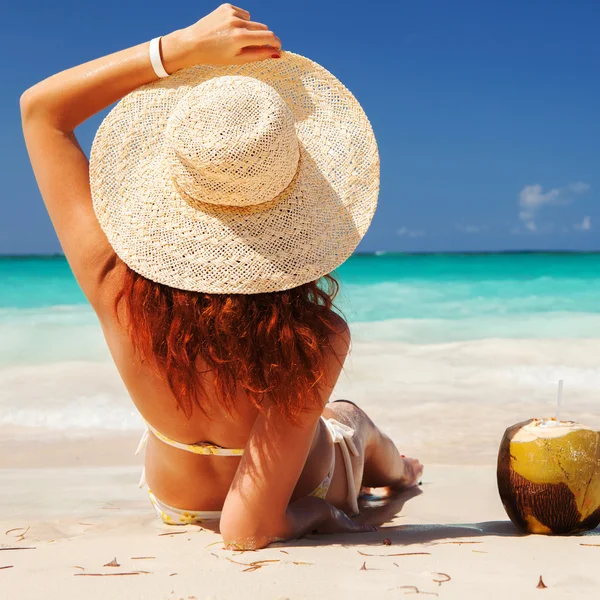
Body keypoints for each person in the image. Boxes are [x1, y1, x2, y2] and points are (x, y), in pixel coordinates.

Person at [20, 3, 423, 550]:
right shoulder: (313, 338)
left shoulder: (112, 283)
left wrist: (179, 48)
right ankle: (401, 474)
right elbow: (248, 528)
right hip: (305, 488)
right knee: (352, 422)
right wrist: (323, 517)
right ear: (297, 211)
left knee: (338, 421)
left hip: (176, 501)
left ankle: (395, 469)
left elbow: (41, 110)